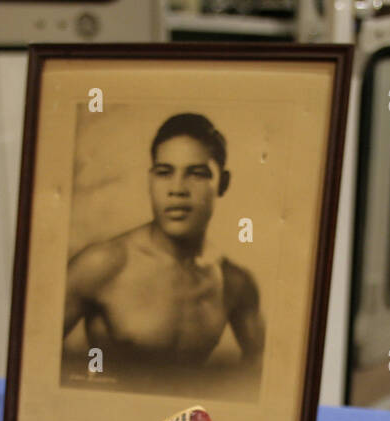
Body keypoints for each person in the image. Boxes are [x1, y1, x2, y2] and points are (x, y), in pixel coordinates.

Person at [62, 113, 265, 388]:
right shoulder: (103, 264)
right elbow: (34, 359)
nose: (177, 190)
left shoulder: (235, 283)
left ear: (223, 183)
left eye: (196, 174)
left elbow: (260, 376)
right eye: (164, 173)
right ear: (150, 181)